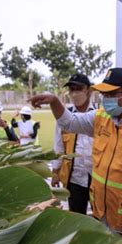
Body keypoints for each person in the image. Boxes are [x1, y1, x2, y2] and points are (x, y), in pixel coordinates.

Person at [28, 68, 122, 235]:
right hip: (100, 215)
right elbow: (69, 123)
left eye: (111, 95)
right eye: (105, 95)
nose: (106, 100)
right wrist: (54, 101)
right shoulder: (100, 117)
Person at [50, 73, 95, 215]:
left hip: (97, 177)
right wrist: (55, 171)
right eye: (71, 89)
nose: (74, 93)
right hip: (74, 178)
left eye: (78, 88)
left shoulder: (100, 115)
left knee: (100, 217)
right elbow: (58, 146)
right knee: (76, 216)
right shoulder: (64, 117)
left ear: (89, 90)